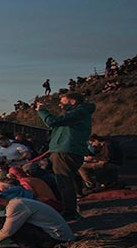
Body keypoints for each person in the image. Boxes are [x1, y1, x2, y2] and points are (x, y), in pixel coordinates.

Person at [37, 91, 95, 220]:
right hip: (67, 150)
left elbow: (52, 121)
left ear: (73, 101)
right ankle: (71, 208)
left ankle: (70, 212)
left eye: (63, 102)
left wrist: (42, 111)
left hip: (65, 151)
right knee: (67, 180)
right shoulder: (78, 114)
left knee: (64, 181)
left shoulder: (79, 112)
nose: (60, 105)